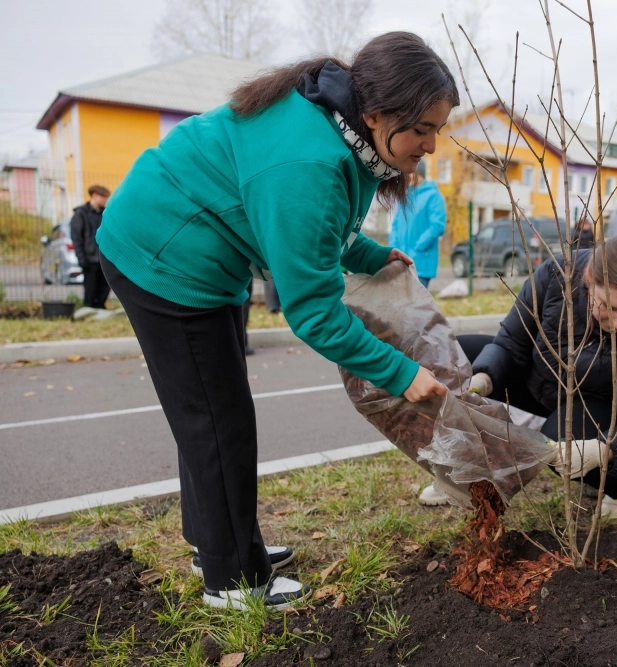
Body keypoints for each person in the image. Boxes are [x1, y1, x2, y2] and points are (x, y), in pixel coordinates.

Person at [95, 32, 457, 610]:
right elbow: (313, 312)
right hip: (161, 252)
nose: (432, 145)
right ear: (379, 112)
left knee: (209, 414)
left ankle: (215, 544)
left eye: (439, 128)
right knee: (218, 420)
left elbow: (315, 233)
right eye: (422, 129)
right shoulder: (309, 160)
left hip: (196, 248)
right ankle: (231, 578)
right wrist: (401, 373)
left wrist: (370, 254)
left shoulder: (343, 130)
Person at [421, 232, 617, 522]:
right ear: (589, 278)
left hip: (600, 408)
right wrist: (483, 378)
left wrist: (605, 450)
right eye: (609, 306)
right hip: (543, 381)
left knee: (565, 438)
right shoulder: (556, 275)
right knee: (459, 357)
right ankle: (464, 472)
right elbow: (512, 343)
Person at [389, 159, 447, 288]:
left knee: (416, 305)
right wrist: (393, 249)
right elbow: (396, 225)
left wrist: (417, 248)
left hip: (421, 261)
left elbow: (437, 226)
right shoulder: (404, 196)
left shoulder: (433, 196)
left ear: (419, 173)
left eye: (411, 172)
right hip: (400, 261)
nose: (407, 176)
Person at [70, 184, 111, 308]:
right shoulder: (81, 214)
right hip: (90, 258)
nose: (105, 200)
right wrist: (82, 258)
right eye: (103, 197)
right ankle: (89, 308)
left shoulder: (105, 214)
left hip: (104, 258)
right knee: (90, 287)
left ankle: (100, 308)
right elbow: (77, 239)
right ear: (94, 195)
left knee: (105, 286)